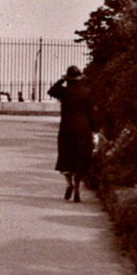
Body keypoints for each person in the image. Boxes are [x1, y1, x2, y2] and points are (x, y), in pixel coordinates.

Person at [48, 64, 94, 202]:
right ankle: (78, 187)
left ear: (68, 78)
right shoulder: (87, 92)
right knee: (80, 158)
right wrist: (94, 129)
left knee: (66, 158)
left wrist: (61, 80)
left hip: (67, 128)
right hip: (84, 128)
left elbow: (51, 91)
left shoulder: (64, 92)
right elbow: (91, 113)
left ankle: (69, 184)